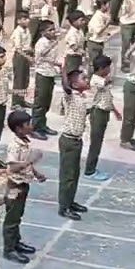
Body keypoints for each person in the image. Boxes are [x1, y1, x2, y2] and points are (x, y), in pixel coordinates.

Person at [3, 110, 42, 265]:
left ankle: (16, 242)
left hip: (23, 183)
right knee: (12, 218)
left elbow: (25, 163)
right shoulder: (14, 146)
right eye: (28, 124)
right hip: (15, 185)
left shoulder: (24, 141)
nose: (31, 126)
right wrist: (30, 161)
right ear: (18, 128)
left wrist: (36, 173)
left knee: (17, 216)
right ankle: (9, 249)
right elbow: (12, 167)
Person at [57, 70, 92, 220]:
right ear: (74, 84)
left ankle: (70, 201)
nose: (87, 79)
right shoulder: (69, 96)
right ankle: (63, 207)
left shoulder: (82, 97)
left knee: (75, 174)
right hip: (69, 141)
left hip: (77, 140)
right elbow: (65, 86)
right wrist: (63, 70)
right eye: (83, 78)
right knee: (68, 176)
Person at [84, 55, 121, 182]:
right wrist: (115, 65)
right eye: (107, 67)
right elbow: (109, 81)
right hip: (98, 113)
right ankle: (89, 170)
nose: (109, 69)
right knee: (95, 143)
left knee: (98, 142)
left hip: (104, 112)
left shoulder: (102, 79)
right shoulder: (96, 80)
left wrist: (115, 111)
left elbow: (107, 98)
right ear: (101, 68)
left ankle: (92, 167)